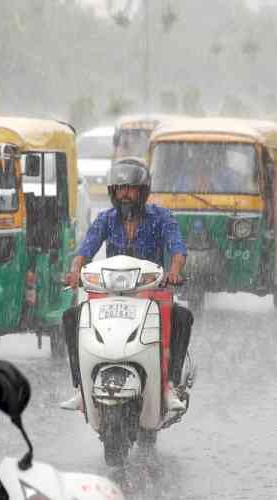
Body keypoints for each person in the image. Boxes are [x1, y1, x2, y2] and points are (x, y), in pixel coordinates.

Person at [59, 158, 192, 413]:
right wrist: (75, 271)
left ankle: (170, 386)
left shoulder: (161, 217)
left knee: (182, 317)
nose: (124, 194)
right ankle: (80, 388)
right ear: (112, 192)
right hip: (111, 293)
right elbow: (85, 251)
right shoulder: (106, 219)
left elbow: (177, 249)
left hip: (152, 292)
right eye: (119, 189)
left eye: (130, 188)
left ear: (143, 191)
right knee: (71, 317)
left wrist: (174, 272)